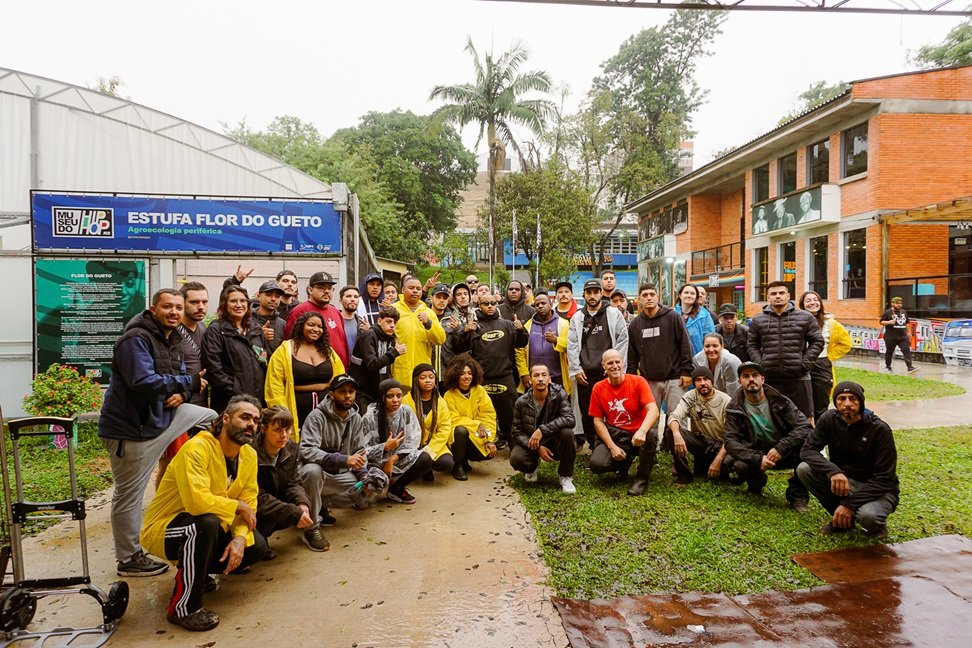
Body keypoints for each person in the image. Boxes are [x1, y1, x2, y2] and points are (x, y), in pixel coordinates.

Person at [99, 289, 215, 577]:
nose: (174, 312)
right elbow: (142, 380)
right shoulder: (135, 339)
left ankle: (196, 474)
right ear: (153, 308)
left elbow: (186, 380)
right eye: (167, 307)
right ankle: (129, 558)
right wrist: (185, 382)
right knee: (129, 495)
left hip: (163, 419)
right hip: (133, 429)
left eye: (178, 307)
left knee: (213, 418)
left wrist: (184, 393)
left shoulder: (172, 337)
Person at [139, 395, 267, 631]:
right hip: (166, 528)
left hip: (213, 524)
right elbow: (197, 503)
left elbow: (249, 503)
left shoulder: (249, 455)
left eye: (256, 420)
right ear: (226, 419)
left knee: (256, 545)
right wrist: (237, 506)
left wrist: (239, 537)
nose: (252, 424)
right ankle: (183, 607)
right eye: (245, 417)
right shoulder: (196, 448)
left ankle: (198, 573)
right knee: (203, 524)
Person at [298, 374, 389, 552]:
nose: (347, 396)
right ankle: (310, 529)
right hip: (313, 476)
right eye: (342, 392)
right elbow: (307, 450)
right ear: (331, 395)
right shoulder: (316, 417)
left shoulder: (355, 418)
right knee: (312, 470)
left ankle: (321, 504)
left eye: (351, 392)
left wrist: (365, 478)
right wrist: (344, 459)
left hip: (337, 475)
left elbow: (360, 452)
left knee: (368, 489)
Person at [798, 382, 899, 538]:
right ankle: (843, 521)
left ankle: (877, 526)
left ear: (861, 402)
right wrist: (833, 472)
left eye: (853, 399)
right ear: (835, 402)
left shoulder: (880, 430)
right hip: (843, 480)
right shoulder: (829, 419)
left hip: (875, 488)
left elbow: (884, 479)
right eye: (841, 399)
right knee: (804, 469)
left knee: (868, 518)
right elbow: (807, 450)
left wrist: (849, 505)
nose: (847, 404)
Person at [723, 362, 811, 510]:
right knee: (737, 463)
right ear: (740, 382)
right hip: (757, 452)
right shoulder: (734, 407)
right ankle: (755, 484)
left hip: (783, 450)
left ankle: (798, 497)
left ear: (762, 379)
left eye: (755, 375)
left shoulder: (781, 400)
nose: (751, 379)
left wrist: (781, 447)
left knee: (806, 451)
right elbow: (730, 441)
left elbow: (805, 427)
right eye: (746, 376)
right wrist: (757, 459)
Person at [452, 290, 528, 447]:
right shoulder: (474, 326)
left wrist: (521, 330)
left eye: (493, 303)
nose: (490, 306)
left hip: (505, 376)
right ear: (479, 305)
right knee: (481, 416)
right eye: (486, 304)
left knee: (510, 415)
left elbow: (521, 343)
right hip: (481, 379)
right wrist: (465, 332)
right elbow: (459, 347)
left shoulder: (507, 324)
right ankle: (481, 446)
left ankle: (514, 446)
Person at [746, 281, 824, 420]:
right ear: (767, 297)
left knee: (804, 419)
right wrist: (760, 364)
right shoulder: (758, 320)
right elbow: (752, 344)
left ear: (788, 296)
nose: (778, 296)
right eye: (773, 294)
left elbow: (817, 341)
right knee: (773, 419)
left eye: (781, 293)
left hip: (798, 377)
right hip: (770, 378)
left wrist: (805, 363)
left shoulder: (805, 317)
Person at [567, 279, 629, 450]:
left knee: (610, 410)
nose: (592, 296)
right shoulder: (578, 317)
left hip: (606, 373)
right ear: (584, 295)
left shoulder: (613, 313)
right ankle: (594, 447)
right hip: (585, 374)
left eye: (596, 292)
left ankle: (611, 444)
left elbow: (623, 341)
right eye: (589, 292)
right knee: (588, 412)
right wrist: (576, 368)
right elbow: (571, 345)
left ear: (602, 293)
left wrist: (615, 369)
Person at [588, 349, 660, 496]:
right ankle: (624, 464)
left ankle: (641, 479)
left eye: (617, 362)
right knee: (597, 464)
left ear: (622, 363)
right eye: (610, 363)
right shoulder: (598, 388)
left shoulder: (638, 381)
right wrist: (612, 446)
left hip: (636, 436)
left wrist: (642, 430)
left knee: (651, 435)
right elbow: (597, 421)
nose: (614, 366)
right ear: (604, 366)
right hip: (616, 434)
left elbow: (653, 409)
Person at [626, 283, 693, 436]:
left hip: (675, 378)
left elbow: (685, 344)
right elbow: (632, 355)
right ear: (639, 300)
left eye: (651, 294)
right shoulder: (635, 324)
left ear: (657, 297)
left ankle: (679, 453)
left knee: (677, 418)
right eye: (644, 295)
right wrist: (631, 378)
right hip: (648, 380)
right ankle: (651, 454)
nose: (649, 298)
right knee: (649, 419)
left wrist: (687, 371)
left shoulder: (672, 316)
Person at [265, 311, 345, 438]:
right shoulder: (284, 351)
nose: (316, 329)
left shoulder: (329, 352)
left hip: (327, 411)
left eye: (320, 327)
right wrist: (283, 413)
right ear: (301, 326)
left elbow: (341, 380)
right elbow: (275, 385)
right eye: (311, 325)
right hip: (296, 411)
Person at [250, 406, 313, 560]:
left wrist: (302, 504)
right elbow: (257, 495)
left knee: (299, 506)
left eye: (287, 430)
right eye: (277, 430)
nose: (284, 435)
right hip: (252, 506)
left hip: (275, 499)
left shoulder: (290, 447)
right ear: (264, 429)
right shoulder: (250, 452)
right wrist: (291, 512)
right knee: (255, 549)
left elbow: (293, 481)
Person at [362, 379, 434, 504]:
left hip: (398, 460)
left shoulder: (406, 411)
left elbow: (413, 440)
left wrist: (392, 459)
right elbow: (361, 450)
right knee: (362, 502)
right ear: (382, 397)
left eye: (399, 396)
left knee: (425, 458)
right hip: (374, 463)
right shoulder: (369, 417)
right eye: (390, 396)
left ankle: (396, 488)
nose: (395, 400)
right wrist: (384, 447)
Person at [510, 363, 577, 494]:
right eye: (536, 375)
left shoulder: (559, 394)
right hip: (532, 442)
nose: (540, 379)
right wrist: (538, 447)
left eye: (544, 375)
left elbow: (570, 419)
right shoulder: (521, 402)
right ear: (530, 380)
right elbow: (516, 431)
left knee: (567, 434)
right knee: (516, 458)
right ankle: (532, 467)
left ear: (549, 379)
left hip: (554, 441)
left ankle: (566, 476)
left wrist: (542, 430)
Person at [202, 285, 268, 414]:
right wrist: (236, 392)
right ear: (224, 304)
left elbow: (264, 360)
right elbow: (213, 369)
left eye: (242, 301)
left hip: (257, 401)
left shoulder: (256, 328)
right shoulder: (216, 330)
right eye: (233, 301)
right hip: (229, 403)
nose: (239, 305)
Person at [665, 366, 732, 484]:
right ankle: (684, 477)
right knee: (670, 432)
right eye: (698, 380)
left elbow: (731, 436)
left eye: (706, 379)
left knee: (725, 471)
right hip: (701, 442)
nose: (702, 383)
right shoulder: (690, 396)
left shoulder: (726, 400)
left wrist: (718, 460)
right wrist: (676, 434)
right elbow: (674, 416)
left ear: (712, 381)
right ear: (694, 383)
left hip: (721, 446)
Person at [799, 290, 853, 420]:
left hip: (821, 365)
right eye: (808, 300)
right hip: (800, 365)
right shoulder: (797, 320)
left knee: (821, 404)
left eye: (815, 299)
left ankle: (820, 433)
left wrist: (829, 355)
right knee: (801, 403)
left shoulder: (831, 323)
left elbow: (846, 343)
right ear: (802, 304)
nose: (813, 303)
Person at [442, 355, 498, 480]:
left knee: (489, 454)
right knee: (460, 430)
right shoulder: (449, 395)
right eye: (462, 374)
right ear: (455, 375)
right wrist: (477, 424)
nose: (467, 377)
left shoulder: (479, 390)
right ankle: (457, 465)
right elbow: (453, 419)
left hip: (476, 437)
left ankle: (464, 460)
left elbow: (488, 415)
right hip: (455, 439)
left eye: (469, 373)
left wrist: (489, 440)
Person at [284, 271, 350, 367]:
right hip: (314, 373)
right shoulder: (299, 311)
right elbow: (289, 345)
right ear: (310, 290)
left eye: (329, 288)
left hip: (339, 371)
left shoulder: (336, 312)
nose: (326, 291)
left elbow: (343, 343)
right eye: (321, 287)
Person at [391, 276, 446, 390]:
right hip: (399, 371)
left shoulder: (429, 313)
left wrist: (428, 324)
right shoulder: (393, 310)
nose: (415, 291)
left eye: (418, 288)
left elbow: (440, 339)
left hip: (422, 372)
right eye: (411, 288)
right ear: (403, 290)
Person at [403, 364, 456, 479]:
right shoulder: (406, 401)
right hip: (412, 446)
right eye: (423, 377)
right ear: (416, 380)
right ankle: (419, 470)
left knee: (447, 463)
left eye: (431, 377)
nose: (428, 380)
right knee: (421, 458)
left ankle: (426, 468)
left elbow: (445, 429)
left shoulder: (440, 402)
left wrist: (430, 449)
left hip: (433, 444)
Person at [349, 307, 405, 410]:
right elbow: (371, 365)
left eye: (395, 323)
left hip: (378, 391)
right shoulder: (368, 336)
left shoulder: (390, 338)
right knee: (365, 422)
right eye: (389, 321)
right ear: (379, 321)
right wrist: (394, 353)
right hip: (362, 391)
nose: (392, 325)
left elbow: (385, 369)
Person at [516, 291, 569, 393]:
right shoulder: (528, 325)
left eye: (543, 303)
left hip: (557, 378)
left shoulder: (563, 323)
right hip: (534, 380)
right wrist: (524, 373)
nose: (540, 306)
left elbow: (570, 346)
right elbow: (520, 352)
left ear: (551, 304)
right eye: (537, 304)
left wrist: (556, 340)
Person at [177, 282, 210, 407]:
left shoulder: (202, 327)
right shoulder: (172, 331)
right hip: (180, 401)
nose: (201, 307)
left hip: (202, 401)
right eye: (194, 302)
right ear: (182, 303)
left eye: (204, 302)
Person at [880, 296, 919, 374]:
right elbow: (881, 322)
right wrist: (889, 322)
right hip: (891, 336)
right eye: (897, 303)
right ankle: (888, 367)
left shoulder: (904, 312)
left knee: (906, 350)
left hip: (902, 336)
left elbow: (907, 322)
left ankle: (910, 367)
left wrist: (909, 332)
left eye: (900, 303)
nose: (899, 305)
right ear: (892, 303)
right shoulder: (887, 312)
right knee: (889, 352)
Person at [674, 284, 715, 355]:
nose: (689, 295)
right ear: (680, 295)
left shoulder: (704, 316)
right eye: (686, 292)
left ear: (696, 297)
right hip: (675, 359)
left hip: (697, 360)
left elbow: (710, 339)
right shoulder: (672, 314)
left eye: (692, 293)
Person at [252, 280, 287, 356]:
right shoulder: (246, 319)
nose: (273, 299)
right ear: (258, 296)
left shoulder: (283, 324)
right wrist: (259, 335)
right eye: (268, 295)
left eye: (277, 296)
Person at [338, 285, 367, 355]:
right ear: (340, 301)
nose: (353, 299)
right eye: (348, 296)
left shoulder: (362, 323)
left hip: (356, 364)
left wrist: (367, 333)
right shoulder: (334, 321)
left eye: (356, 297)